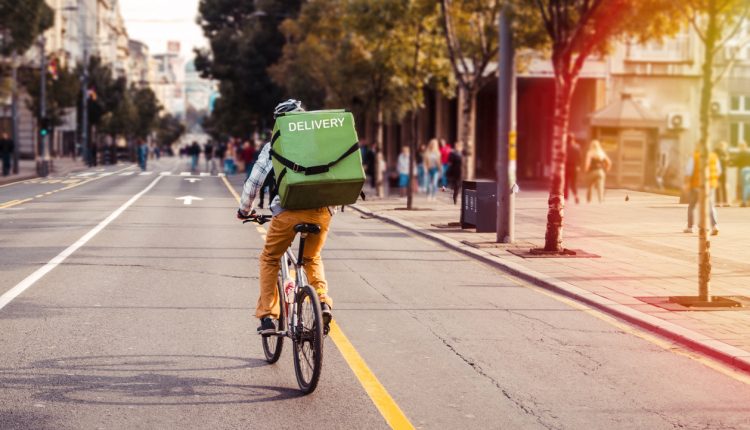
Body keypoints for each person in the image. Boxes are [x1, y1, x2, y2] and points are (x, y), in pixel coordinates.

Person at [237, 99, 333, 335]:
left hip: (288, 212)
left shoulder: (274, 146)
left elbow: (254, 183)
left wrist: (245, 210)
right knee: (312, 258)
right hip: (322, 212)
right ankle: (322, 300)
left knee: (270, 258)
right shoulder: (320, 142)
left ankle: (268, 316)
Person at [684, 145, 721, 235]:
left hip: (697, 185)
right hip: (710, 185)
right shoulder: (714, 156)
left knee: (692, 206)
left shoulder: (695, 156)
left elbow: (689, 171)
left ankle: (690, 227)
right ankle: (714, 226)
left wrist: (687, 183)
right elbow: (719, 171)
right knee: (709, 205)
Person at [564, 133, 581, 204]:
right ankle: (576, 196)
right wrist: (578, 166)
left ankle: (565, 198)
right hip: (574, 167)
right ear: (573, 139)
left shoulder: (564, 147)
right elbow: (580, 158)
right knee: (573, 183)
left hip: (566, 167)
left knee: (565, 183)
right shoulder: (577, 147)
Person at [715, 141, 730, 207]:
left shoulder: (725, 153)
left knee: (723, 186)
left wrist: (727, 160)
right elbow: (719, 160)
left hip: (723, 171)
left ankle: (725, 202)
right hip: (718, 171)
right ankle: (718, 202)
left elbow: (727, 161)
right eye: (722, 145)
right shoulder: (716, 152)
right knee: (718, 187)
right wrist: (725, 159)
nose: (723, 147)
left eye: (723, 146)